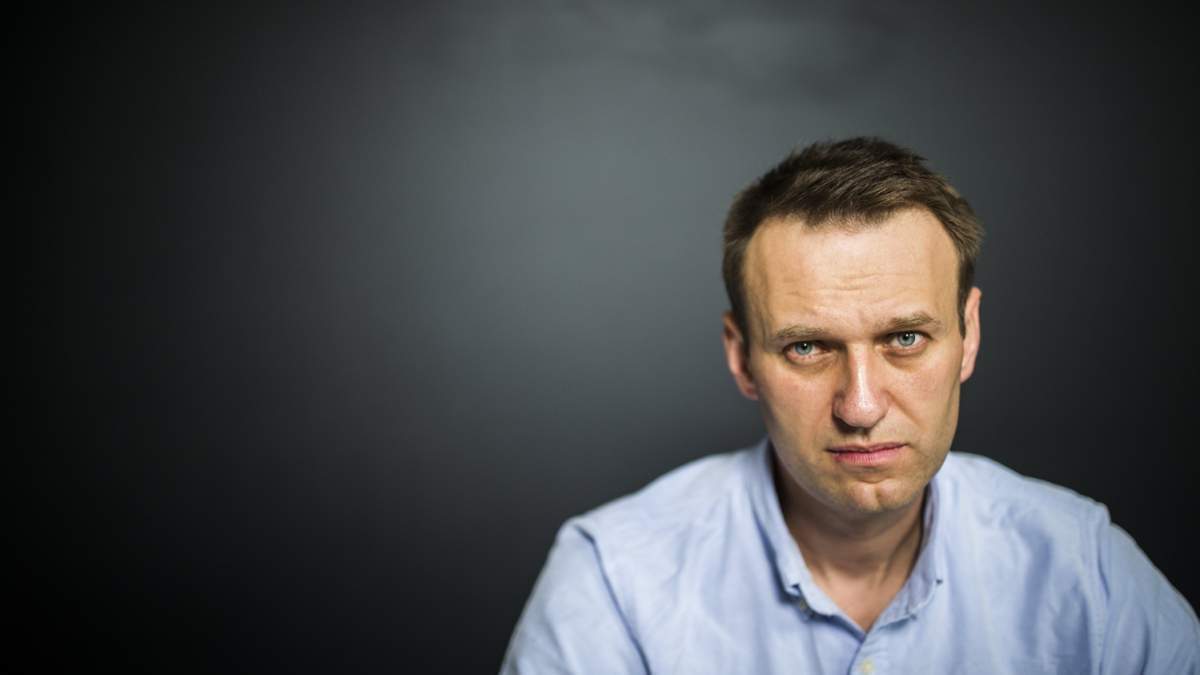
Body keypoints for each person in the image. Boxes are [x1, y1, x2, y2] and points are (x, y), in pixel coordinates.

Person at [500, 137, 1199, 674]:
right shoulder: (614, 584)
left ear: (969, 335)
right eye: (807, 347)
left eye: (905, 338)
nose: (860, 406)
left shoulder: (1085, 572)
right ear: (741, 357)